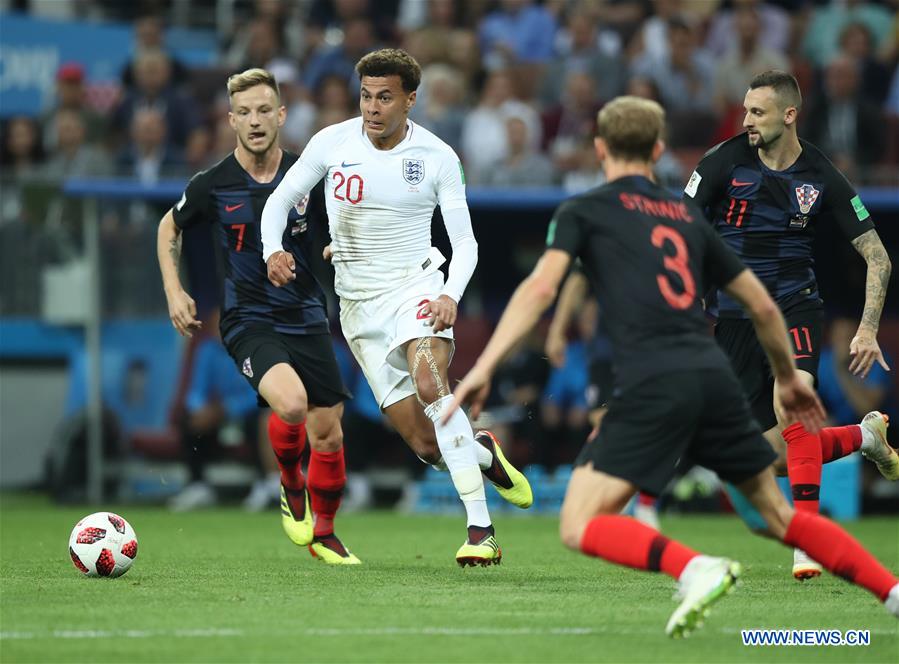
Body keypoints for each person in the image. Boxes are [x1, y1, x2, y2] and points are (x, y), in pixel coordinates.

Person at [444, 96, 899, 636]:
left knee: (579, 521)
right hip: (712, 374)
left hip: (656, 380)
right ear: (658, 150)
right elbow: (757, 301)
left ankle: (693, 567)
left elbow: (540, 288)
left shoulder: (585, 210)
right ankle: (892, 593)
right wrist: (785, 376)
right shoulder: (687, 217)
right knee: (774, 517)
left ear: (599, 149)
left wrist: (482, 368)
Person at [261, 48, 532, 567]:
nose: (372, 107)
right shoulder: (331, 142)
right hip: (359, 308)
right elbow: (279, 200)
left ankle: (481, 532)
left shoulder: (437, 157)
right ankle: (482, 453)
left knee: (433, 384)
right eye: (365, 95)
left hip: (416, 288)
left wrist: (450, 294)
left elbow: (466, 243)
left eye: (384, 97)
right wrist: (273, 247)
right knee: (429, 447)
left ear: (410, 99)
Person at [683, 69, 897, 580]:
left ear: (789, 114)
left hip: (794, 306)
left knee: (794, 399)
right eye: (745, 110)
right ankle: (865, 439)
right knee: (763, 460)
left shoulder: (822, 174)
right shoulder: (721, 162)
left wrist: (867, 329)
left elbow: (878, 256)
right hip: (733, 319)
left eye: (757, 112)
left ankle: (808, 542)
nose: (746, 120)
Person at [156, 68, 359, 564]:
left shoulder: (309, 177)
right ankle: (290, 485)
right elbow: (169, 226)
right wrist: (174, 290)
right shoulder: (213, 183)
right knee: (290, 404)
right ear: (231, 120)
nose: (255, 120)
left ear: (282, 115)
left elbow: (340, 230)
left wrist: (337, 249)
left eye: (264, 110)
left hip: (309, 316)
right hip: (248, 320)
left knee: (328, 430)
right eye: (244, 112)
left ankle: (326, 535)